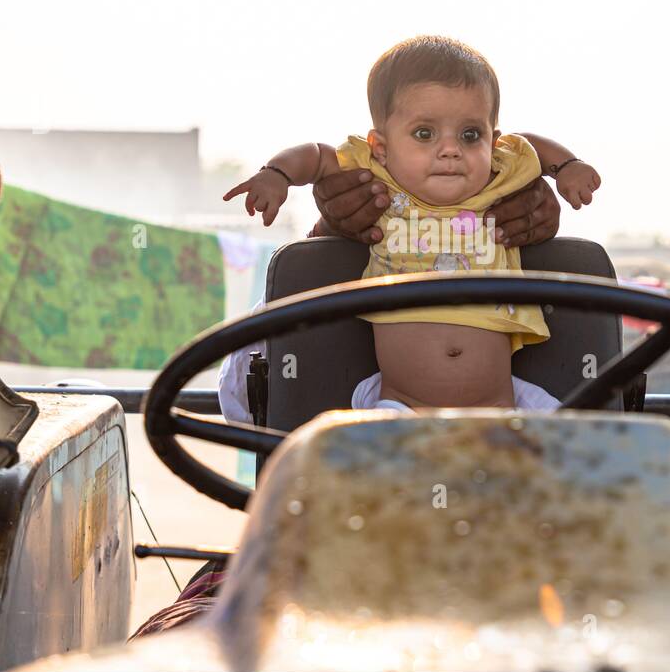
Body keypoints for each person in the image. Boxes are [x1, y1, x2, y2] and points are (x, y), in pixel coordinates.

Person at [223, 35, 600, 412]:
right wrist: (276, 174)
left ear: (493, 142)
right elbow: (317, 155)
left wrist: (566, 166)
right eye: (425, 133)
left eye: (471, 135)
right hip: (403, 409)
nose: (450, 149)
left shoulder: (502, 184)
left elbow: (528, 144)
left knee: (574, 443)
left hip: (500, 408)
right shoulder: (379, 187)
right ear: (381, 148)